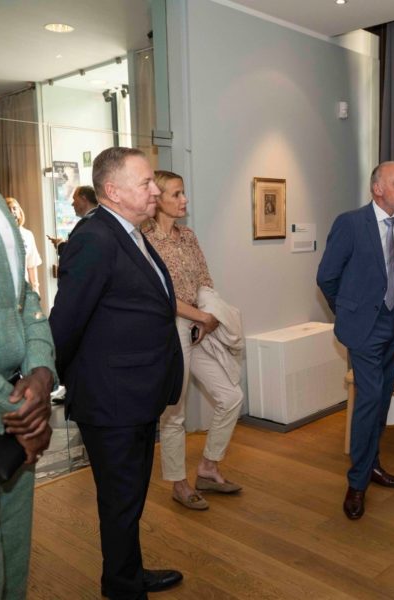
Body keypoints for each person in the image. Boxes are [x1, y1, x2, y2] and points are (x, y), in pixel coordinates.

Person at [49, 147, 185, 599]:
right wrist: (58, 380)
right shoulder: (96, 237)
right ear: (113, 190)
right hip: (111, 398)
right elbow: (65, 323)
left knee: (128, 498)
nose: (154, 191)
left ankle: (125, 574)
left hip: (135, 393)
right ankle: (123, 588)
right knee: (120, 499)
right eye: (145, 183)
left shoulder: (128, 232)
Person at [317, 161, 394, 520]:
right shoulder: (350, 223)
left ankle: (372, 463)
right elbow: (327, 277)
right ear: (377, 188)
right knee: (369, 400)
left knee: (381, 399)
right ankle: (357, 482)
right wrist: (348, 312)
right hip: (365, 328)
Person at [143, 170, 244, 511]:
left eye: (183, 192)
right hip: (170, 329)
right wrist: (201, 316)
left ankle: (208, 468)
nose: (184, 199)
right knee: (174, 412)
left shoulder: (188, 236)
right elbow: (161, 296)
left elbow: (204, 279)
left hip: (198, 327)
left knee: (231, 396)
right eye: (177, 194)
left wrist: (206, 318)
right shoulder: (146, 241)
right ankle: (179, 483)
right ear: (158, 199)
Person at [0, 86, 56, 600]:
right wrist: (15, 411)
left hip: (17, 412)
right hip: (9, 414)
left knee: (14, 556)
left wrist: (40, 371)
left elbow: (25, 297)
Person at [5, 196, 42, 295]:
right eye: (8, 209)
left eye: (14, 208)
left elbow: (31, 264)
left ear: (19, 212)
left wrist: (35, 288)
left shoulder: (28, 235)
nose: (12, 212)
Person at [47, 185, 99, 255]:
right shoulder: (100, 218)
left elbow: (72, 252)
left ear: (84, 199)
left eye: (74, 199)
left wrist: (59, 244)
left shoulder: (87, 221)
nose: (72, 204)